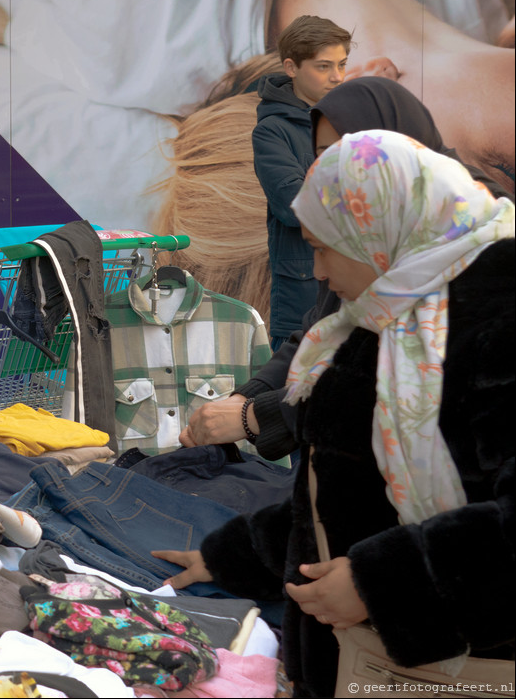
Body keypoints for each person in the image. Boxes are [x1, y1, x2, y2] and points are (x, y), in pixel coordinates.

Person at [156, 129, 515, 697]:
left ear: (376, 232)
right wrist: (233, 557)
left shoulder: (499, 317)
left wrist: (385, 585)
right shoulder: (385, 316)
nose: (317, 273)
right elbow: (346, 497)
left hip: (457, 670)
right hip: (354, 665)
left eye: (324, 247)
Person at [179, 76, 514, 460]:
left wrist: (253, 415)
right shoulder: (364, 226)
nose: (332, 166)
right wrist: (244, 399)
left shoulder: (479, 245)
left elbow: (376, 379)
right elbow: (324, 328)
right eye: (321, 153)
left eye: (347, 148)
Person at [252, 15, 351, 349]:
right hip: (303, 298)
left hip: (360, 292)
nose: (337, 77)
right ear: (291, 67)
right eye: (324, 66)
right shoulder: (271, 130)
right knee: (290, 397)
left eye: (342, 64)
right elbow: (293, 206)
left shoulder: (353, 119)